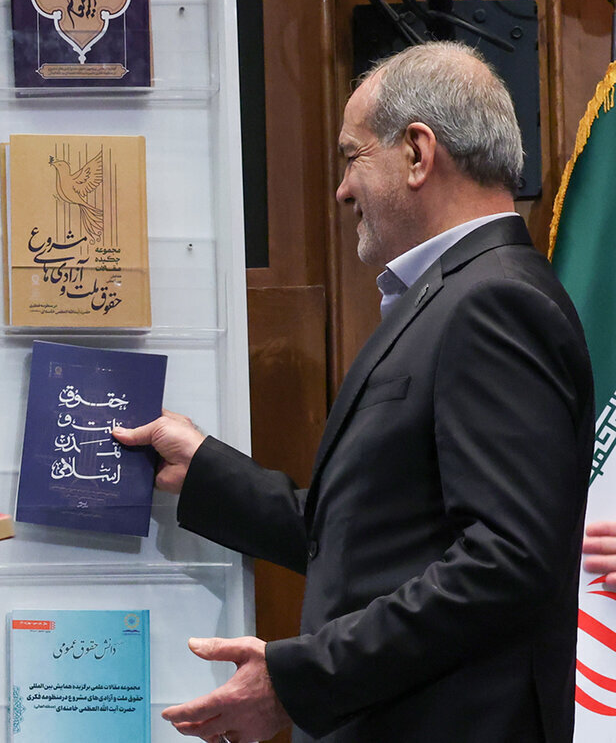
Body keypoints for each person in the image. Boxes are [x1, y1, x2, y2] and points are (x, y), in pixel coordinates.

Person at [114, 41, 592, 743]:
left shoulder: (494, 303)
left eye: (351, 156)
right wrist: (206, 470)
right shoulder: (459, 296)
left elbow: (505, 563)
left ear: (418, 154)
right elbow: (376, 535)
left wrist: (301, 680)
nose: (341, 190)